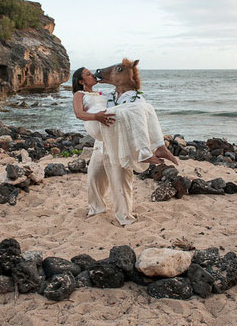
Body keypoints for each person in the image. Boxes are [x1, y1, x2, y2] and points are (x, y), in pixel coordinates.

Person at [72, 66, 177, 225]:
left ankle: (125, 216)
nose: (92, 75)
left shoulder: (105, 94)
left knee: (120, 179)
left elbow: (122, 97)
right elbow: (79, 114)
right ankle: (96, 209)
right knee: (94, 177)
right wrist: (97, 116)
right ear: (81, 81)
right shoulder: (79, 94)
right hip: (101, 139)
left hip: (114, 136)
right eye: (88, 74)